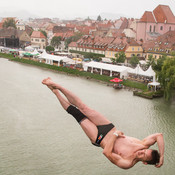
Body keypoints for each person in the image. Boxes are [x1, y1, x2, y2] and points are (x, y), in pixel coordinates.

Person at [42, 77, 164, 169]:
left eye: (143, 155)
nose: (141, 152)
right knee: (83, 107)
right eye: (145, 151)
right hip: (108, 127)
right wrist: (162, 156)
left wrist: (115, 136)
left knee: (77, 114)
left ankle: (55, 92)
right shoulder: (143, 144)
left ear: (144, 162)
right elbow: (159, 135)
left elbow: (106, 152)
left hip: (99, 138)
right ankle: (56, 85)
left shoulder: (127, 162)